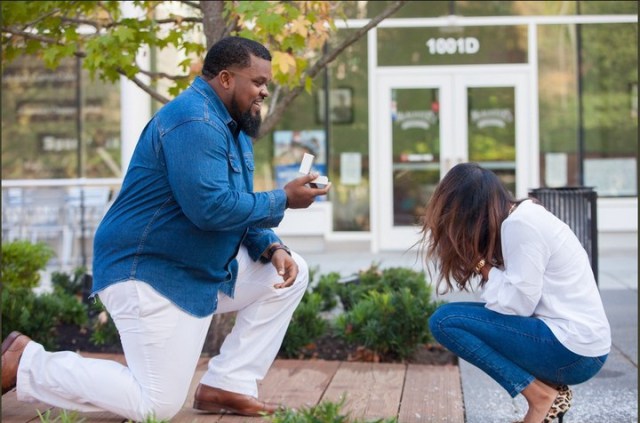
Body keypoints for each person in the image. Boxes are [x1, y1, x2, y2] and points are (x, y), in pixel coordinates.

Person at [1, 36, 331, 421]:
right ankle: (28, 363)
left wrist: (271, 246)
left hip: (194, 269)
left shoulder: (233, 129)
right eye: (257, 82)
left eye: (266, 84)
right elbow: (210, 209)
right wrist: (284, 200)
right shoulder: (194, 122)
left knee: (291, 272)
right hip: (148, 272)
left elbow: (234, 204)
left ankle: (229, 383)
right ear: (226, 78)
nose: (264, 92)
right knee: (155, 404)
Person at [420, 163, 610, 423]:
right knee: (455, 319)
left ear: (471, 211)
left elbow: (515, 306)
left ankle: (541, 397)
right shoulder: (520, 220)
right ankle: (546, 391)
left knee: (444, 322)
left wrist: (481, 265)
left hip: (573, 350)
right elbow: (505, 304)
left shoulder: (521, 225)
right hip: (573, 344)